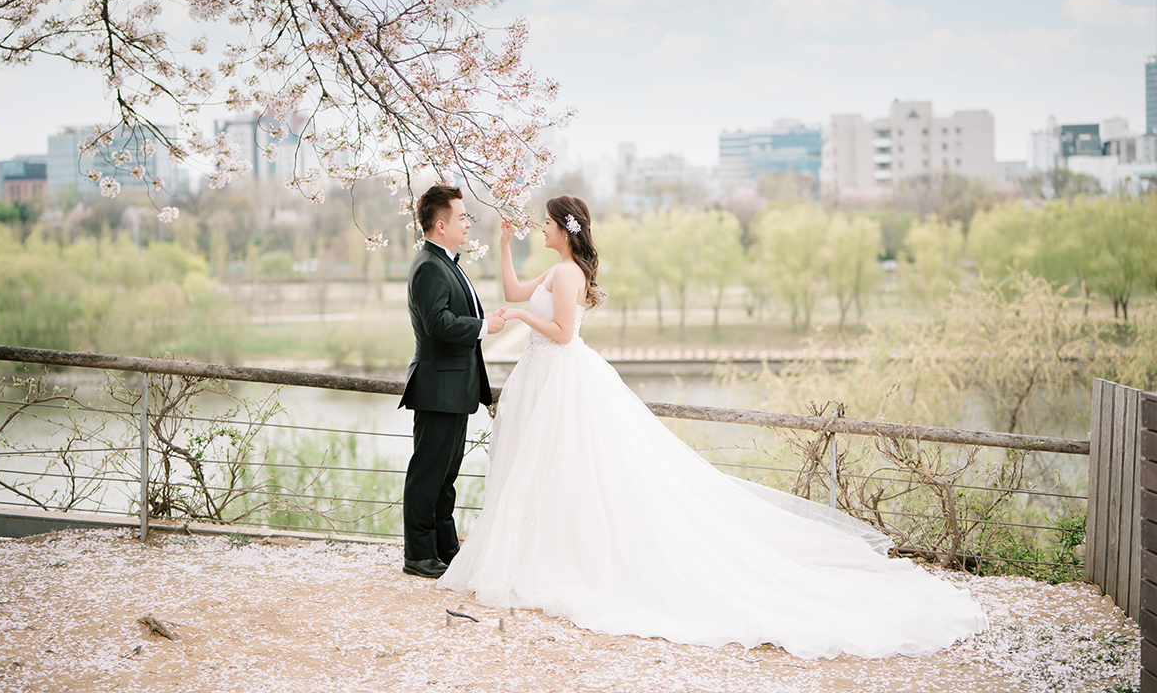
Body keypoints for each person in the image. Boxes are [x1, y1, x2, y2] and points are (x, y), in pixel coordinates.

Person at [439, 195, 988, 660]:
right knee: (549, 472)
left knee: (571, 468)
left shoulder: (567, 272)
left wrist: (520, 319)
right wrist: (507, 247)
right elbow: (512, 292)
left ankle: (562, 558)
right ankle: (546, 551)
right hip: (546, 377)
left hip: (560, 374)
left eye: (547, 224)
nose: (543, 229)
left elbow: (560, 332)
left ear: (566, 230)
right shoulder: (556, 269)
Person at [398, 185, 505, 579]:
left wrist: (481, 322)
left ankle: (446, 549)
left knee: (446, 476)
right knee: (428, 474)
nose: (467, 223)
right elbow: (437, 324)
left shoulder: (446, 262)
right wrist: (483, 326)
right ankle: (419, 554)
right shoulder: (429, 265)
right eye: (461, 217)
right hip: (437, 388)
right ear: (440, 225)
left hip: (453, 389)